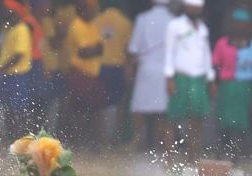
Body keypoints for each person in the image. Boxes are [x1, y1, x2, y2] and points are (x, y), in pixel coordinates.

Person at [164, 0, 215, 158]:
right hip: (180, 77)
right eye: (192, 6)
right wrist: (169, 78)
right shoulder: (174, 26)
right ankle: (170, 154)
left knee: (197, 117)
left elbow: (206, 54)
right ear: (185, 7)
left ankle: (193, 154)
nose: (195, 9)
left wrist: (211, 78)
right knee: (173, 117)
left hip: (199, 79)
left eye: (197, 7)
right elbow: (169, 52)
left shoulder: (203, 29)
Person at [211, 8, 252, 157]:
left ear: (248, 26)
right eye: (237, 23)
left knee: (241, 122)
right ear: (232, 24)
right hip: (226, 87)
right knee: (223, 121)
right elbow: (215, 65)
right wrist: (214, 83)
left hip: (244, 88)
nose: (240, 27)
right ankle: (221, 151)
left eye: (243, 24)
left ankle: (237, 153)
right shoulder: (222, 43)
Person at [127, 0, 173, 150]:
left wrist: (129, 68)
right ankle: (158, 142)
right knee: (161, 109)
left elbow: (134, 47)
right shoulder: (173, 21)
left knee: (140, 106)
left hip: (146, 68)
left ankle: (138, 137)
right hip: (166, 71)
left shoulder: (143, 18)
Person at [64, 0, 106, 142]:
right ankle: (76, 141)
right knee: (78, 110)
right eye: (91, 8)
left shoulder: (92, 25)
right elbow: (85, 52)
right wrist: (96, 49)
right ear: (82, 9)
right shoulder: (77, 25)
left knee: (94, 109)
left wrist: (95, 49)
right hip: (79, 74)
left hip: (92, 74)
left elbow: (100, 49)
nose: (94, 11)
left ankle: (90, 142)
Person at [0, 2, 35, 139]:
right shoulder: (10, 28)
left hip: (18, 75)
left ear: (15, 11)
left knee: (18, 109)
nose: (3, 12)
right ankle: (11, 137)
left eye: (7, 10)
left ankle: (20, 137)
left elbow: (18, 55)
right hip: (9, 75)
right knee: (8, 108)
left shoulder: (21, 29)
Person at [96, 0, 133, 142]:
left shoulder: (96, 21)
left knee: (99, 104)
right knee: (118, 105)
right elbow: (128, 50)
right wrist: (129, 70)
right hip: (118, 67)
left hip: (99, 67)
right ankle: (114, 139)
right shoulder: (126, 22)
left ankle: (101, 138)